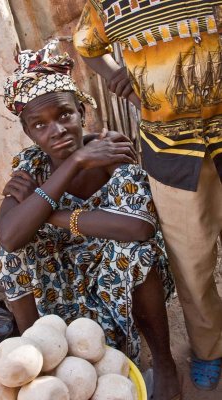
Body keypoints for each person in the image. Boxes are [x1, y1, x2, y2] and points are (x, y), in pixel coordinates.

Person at [0, 40, 180, 400]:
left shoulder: (112, 151)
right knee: (11, 258)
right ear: (30, 133)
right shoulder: (29, 164)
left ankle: (165, 361)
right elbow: (9, 237)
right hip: (62, 273)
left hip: (112, 267)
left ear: (82, 111)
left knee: (136, 251)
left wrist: (46, 210)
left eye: (64, 115)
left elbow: (138, 227)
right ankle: (39, 360)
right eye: (40, 125)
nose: (57, 130)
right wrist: (75, 164)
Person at [73, 0, 222, 392]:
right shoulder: (107, 4)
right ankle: (209, 349)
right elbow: (87, 45)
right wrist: (117, 76)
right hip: (172, 150)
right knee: (192, 263)